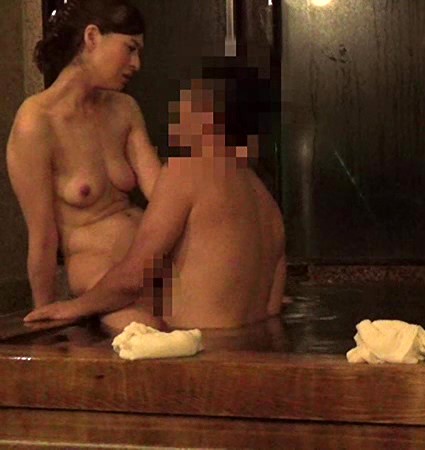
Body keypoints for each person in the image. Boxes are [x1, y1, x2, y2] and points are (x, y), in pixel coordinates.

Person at [24, 63, 287, 331]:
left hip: (193, 351)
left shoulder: (188, 171)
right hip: (245, 348)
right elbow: (272, 309)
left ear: (207, 115)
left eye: (185, 105)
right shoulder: (266, 202)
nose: (177, 116)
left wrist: (72, 307)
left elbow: (134, 277)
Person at [6, 1, 161, 318]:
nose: (136, 64)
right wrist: (47, 319)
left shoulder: (125, 109)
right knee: (148, 331)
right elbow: (43, 238)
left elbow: (164, 197)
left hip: (153, 269)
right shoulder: (37, 122)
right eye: (130, 48)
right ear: (92, 37)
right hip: (99, 281)